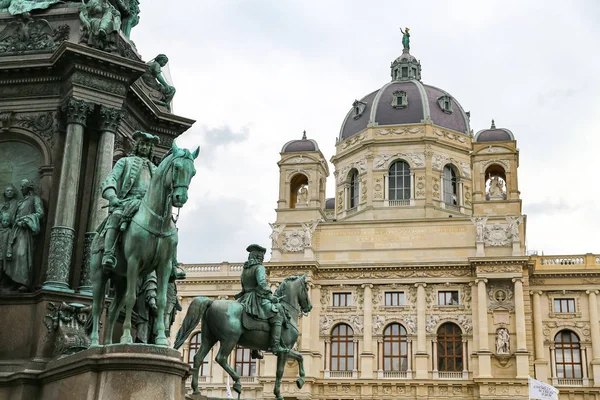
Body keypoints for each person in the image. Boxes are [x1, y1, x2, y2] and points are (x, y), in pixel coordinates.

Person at [99, 131, 159, 271]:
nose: (144, 147)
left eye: (148, 145)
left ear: (151, 149)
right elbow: (111, 178)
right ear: (137, 146)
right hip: (128, 201)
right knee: (115, 217)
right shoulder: (124, 161)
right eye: (142, 144)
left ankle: (171, 263)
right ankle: (109, 253)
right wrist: (113, 197)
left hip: (149, 205)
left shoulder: (156, 169)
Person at [235, 244, 288, 355]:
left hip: (244, 298)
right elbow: (262, 283)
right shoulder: (259, 268)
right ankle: (275, 346)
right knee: (277, 313)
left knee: (254, 319)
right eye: (261, 256)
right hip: (255, 298)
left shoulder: (245, 270)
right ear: (259, 257)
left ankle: (255, 349)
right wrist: (270, 296)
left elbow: (243, 286)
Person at [6, 179, 44, 291]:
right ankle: (14, 280)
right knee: (12, 255)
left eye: (23, 186)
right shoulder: (21, 201)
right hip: (17, 230)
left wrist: (27, 220)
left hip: (26, 231)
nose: (21, 188)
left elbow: (40, 213)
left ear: (28, 187)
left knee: (22, 255)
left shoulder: (35, 199)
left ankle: (24, 282)